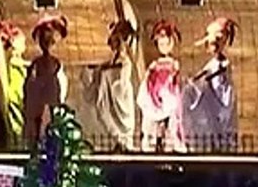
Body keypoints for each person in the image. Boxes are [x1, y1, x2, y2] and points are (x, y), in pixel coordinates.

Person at [182, 17, 239, 152]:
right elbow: (204, 74)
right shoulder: (212, 64)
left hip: (220, 95)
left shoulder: (223, 64)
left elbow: (216, 75)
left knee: (220, 122)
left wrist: (202, 80)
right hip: (212, 95)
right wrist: (195, 80)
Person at [82, 19, 138, 151]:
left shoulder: (125, 61)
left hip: (119, 95)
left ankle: (123, 144)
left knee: (122, 123)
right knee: (105, 117)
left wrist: (104, 72)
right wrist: (99, 71)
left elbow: (119, 75)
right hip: (110, 96)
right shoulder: (113, 60)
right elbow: (107, 67)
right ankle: (117, 142)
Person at [137, 19, 187, 153]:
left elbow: (175, 80)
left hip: (168, 96)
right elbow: (149, 79)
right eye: (161, 43)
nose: (163, 46)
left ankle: (171, 148)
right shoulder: (155, 65)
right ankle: (152, 145)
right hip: (154, 95)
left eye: (166, 43)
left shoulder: (173, 64)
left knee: (172, 125)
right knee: (151, 125)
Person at [22, 14, 69, 147]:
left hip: (51, 93)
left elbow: (60, 83)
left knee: (51, 122)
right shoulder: (37, 64)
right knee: (38, 124)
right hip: (38, 97)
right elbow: (30, 84)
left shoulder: (56, 64)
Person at [0, 20, 28, 150]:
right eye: (23, 42)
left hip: (18, 98)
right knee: (18, 131)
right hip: (16, 98)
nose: (25, 46)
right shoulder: (14, 61)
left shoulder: (16, 61)